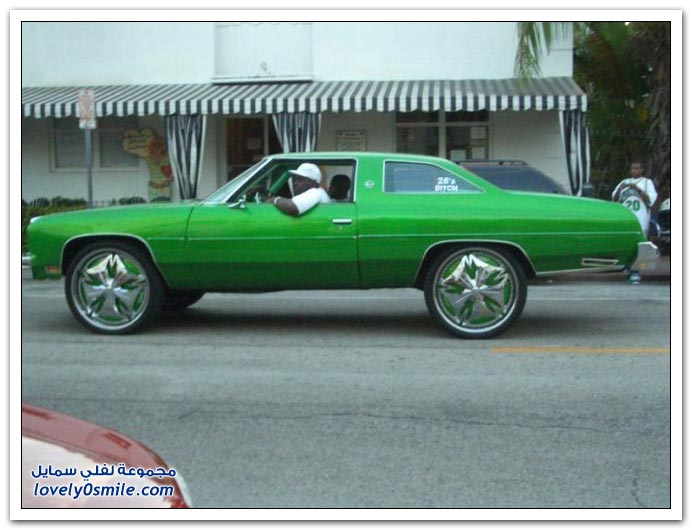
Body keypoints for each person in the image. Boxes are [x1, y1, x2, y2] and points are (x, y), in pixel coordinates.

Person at [612, 160, 658, 284]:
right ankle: (628, 267)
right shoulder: (624, 182)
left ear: (642, 169)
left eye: (637, 168)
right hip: (626, 218)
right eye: (632, 168)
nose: (634, 171)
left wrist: (637, 189)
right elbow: (615, 200)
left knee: (639, 245)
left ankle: (635, 272)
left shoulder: (647, 183)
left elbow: (650, 200)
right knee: (626, 244)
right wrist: (620, 189)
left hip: (640, 218)